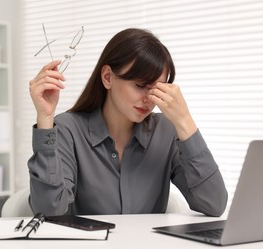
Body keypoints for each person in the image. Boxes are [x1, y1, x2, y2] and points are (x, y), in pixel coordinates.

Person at [28, 28, 228, 217]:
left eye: (158, 89)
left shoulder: (166, 131)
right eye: (140, 86)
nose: (149, 99)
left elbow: (214, 203)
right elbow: (49, 212)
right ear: (108, 77)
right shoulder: (67, 130)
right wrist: (45, 120)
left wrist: (185, 121)